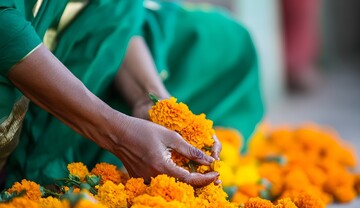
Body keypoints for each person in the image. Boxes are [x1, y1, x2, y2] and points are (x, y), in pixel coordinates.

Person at [0, 0, 263, 188]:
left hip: (75, 27)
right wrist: (118, 133)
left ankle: (132, 145)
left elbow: (112, 11)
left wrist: (154, 103)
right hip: (21, 48)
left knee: (229, 42)